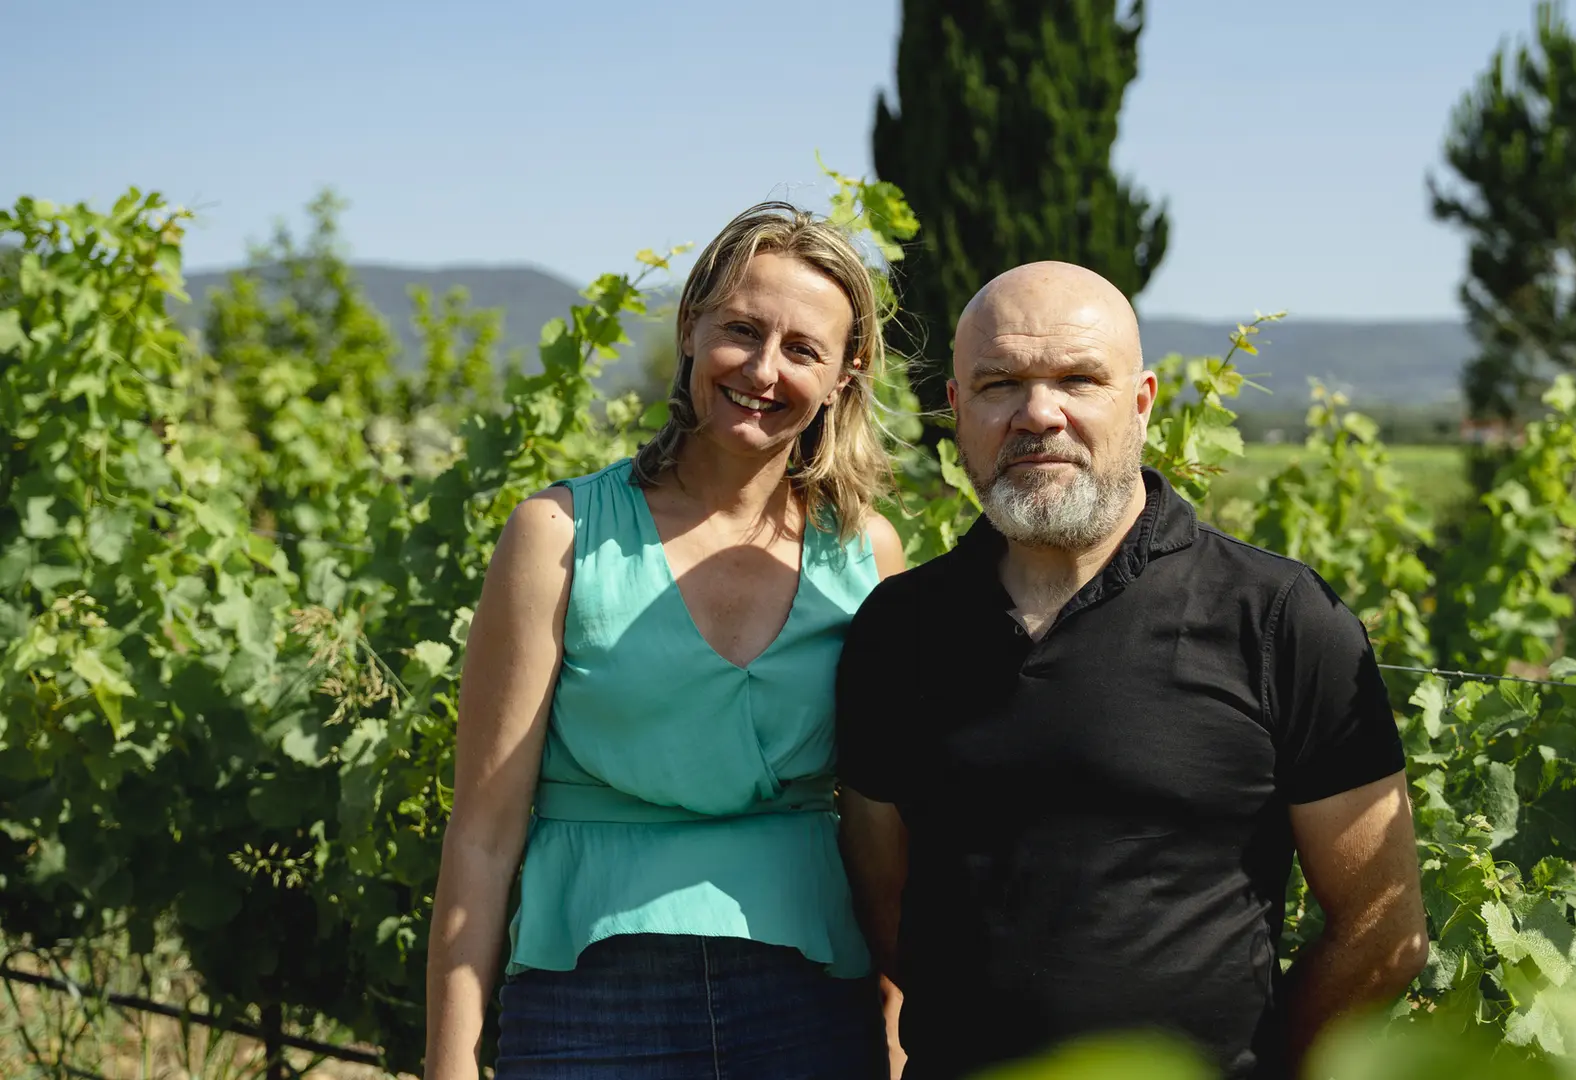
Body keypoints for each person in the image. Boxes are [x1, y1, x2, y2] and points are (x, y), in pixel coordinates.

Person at [834, 261, 1429, 1080]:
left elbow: (1383, 927)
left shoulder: (1279, 620)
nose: (1039, 413)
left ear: (1142, 404)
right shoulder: (897, 633)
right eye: (1001, 383)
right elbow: (884, 903)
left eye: (1079, 379)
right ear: (956, 410)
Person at [423, 201, 904, 1080]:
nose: (763, 369)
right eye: (741, 330)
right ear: (689, 330)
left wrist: (902, 1034)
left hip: (810, 1002)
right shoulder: (557, 535)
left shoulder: (866, 552)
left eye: (803, 349)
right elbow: (484, 835)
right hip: (589, 998)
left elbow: (879, 827)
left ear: (845, 373)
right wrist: (449, 1067)